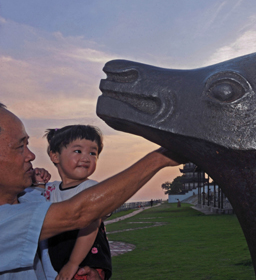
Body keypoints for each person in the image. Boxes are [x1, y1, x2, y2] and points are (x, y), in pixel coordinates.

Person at [0, 103, 182, 279]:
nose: (31, 155)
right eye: (20, 146)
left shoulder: (32, 197)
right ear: (55, 156)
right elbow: (81, 212)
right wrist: (159, 158)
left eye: (93, 153)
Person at [40, 125, 111, 280]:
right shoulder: (51, 188)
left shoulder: (90, 188)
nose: (86, 158)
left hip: (84, 265)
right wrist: (36, 178)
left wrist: (73, 263)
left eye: (93, 153)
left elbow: (91, 225)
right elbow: (36, 201)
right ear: (55, 156)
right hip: (60, 265)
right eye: (78, 151)